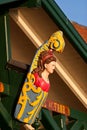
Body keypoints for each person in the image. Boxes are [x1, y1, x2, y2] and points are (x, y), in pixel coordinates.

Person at [23, 49, 56, 130]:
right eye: (52, 65)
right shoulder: (37, 77)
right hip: (30, 103)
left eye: (54, 66)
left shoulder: (48, 80)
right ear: (45, 65)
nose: (54, 68)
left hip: (38, 104)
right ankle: (26, 121)